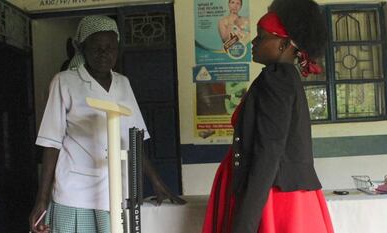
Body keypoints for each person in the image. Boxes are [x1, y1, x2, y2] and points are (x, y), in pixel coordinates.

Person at [29, 15, 185, 233]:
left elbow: (134, 139)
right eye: (97, 47)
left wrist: (157, 181)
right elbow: (51, 142)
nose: (104, 53)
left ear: (118, 49)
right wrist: (41, 199)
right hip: (74, 192)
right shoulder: (64, 81)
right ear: (83, 48)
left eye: (110, 47)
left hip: (115, 191)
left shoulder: (123, 83)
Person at [202, 0, 334, 232]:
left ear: (283, 44)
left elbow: (269, 151)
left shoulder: (276, 79)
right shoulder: (285, 77)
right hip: (280, 190)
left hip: (272, 196)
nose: (253, 42)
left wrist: (244, 224)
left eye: (261, 36)